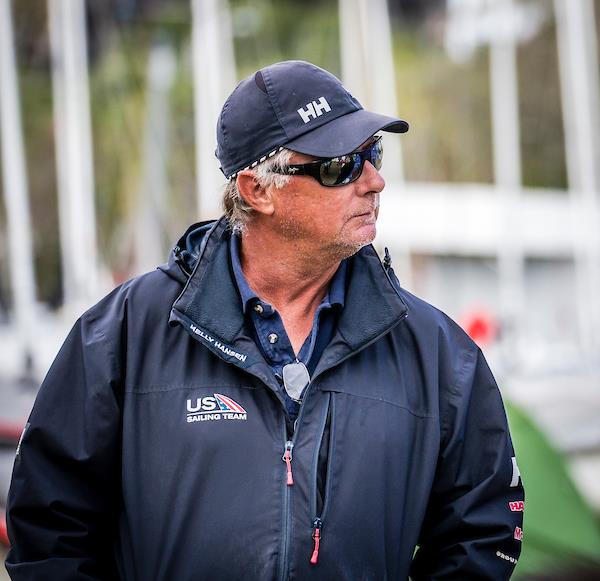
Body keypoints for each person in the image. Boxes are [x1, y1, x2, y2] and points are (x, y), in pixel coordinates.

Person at [5, 60, 524, 580]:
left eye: (373, 153)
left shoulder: (438, 354)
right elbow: (51, 530)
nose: (374, 181)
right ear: (257, 190)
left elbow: (482, 530)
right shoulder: (122, 335)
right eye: (339, 165)